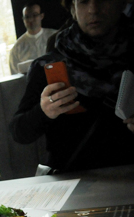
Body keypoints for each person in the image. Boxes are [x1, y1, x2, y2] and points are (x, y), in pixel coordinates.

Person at [9, 0, 134, 173]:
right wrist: (44, 111)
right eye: (82, 2)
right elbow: (19, 132)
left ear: (121, 4)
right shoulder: (47, 66)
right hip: (72, 185)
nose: (93, 9)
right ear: (73, 10)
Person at [9, 2, 58, 74]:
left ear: (42, 16)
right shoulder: (17, 48)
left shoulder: (55, 36)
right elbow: (15, 76)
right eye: (27, 17)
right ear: (23, 19)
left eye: (34, 15)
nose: (31, 20)